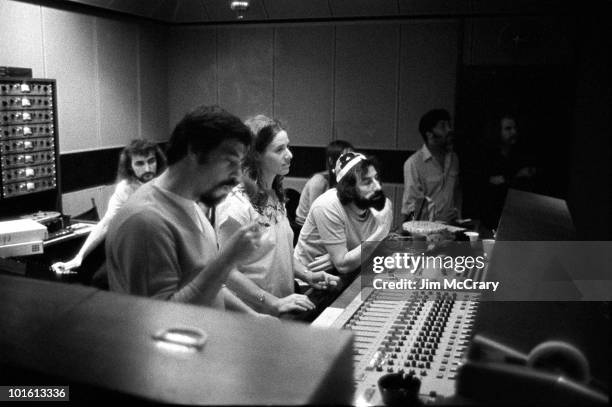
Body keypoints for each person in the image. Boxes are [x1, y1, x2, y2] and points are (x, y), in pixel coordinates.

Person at [106, 105, 263, 312]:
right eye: (229, 162)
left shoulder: (190, 203)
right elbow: (162, 316)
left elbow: (205, 282)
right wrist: (227, 260)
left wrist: (253, 317)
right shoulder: (146, 220)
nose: (236, 176)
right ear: (195, 152)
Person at [215, 115, 339, 316]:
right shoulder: (235, 205)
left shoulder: (274, 193)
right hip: (250, 316)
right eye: (279, 149)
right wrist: (272, 303)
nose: (289, 155)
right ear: (256, 156)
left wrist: (308, 275)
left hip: (279, 310)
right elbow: (227, 271)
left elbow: (279, 254)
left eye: (288, 146)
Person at [51, 139, 166, 274]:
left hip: (164, 248)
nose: (147, 168)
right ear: (130, 166)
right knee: (101, 280)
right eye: (140, 163)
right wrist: (78, 257)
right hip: (139, 250)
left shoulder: (167, 182)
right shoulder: (125, 189)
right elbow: (106, 223)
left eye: (151, 161)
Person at [294, 152, 393, 275]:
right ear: (349, 188)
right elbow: (343, 265)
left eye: (376, 178)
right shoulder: (327, 205)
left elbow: (374, 252)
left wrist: (346, 256)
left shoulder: (378, 203)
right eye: (367, 182)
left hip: (346, 276)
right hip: (309, 282)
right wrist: (381, 232)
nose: (377, 187)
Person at [401, 108, 461, 223]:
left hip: (452, 229)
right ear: (430, 135)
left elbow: (457, 193)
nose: (449, 130)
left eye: (449, 125)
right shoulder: (414, 163)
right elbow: (411, 211)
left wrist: (457, 215)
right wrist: (438, 219)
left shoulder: (454, 159)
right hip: (424, 233)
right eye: (443, 126)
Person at [482, 114, 536, 229]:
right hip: (492, 216)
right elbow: (492, 183)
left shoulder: (519, 156)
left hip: (516, 215)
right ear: (497, 131)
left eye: (514, 128)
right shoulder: (488, 156)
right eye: (508, 129)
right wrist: (516, 176)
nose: (513, 132)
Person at [295, 140, 354, 226]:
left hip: (330, 222)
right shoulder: (318, 181)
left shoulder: (346, 179)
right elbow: (316, 215)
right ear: (331, 160)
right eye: (345, 158)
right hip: (305, 227)